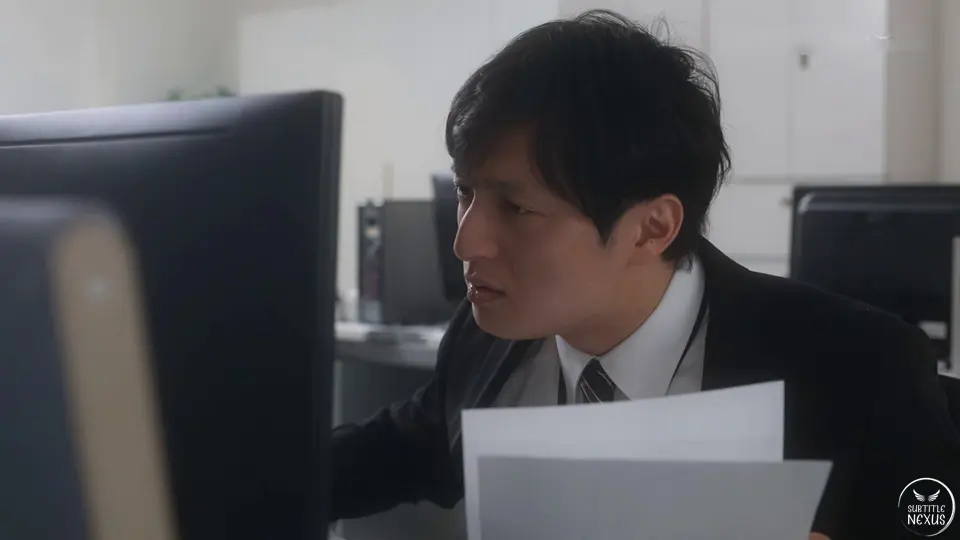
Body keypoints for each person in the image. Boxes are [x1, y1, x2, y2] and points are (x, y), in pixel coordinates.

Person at [330, 10, 960, 539]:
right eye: (465, 193)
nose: (465, 241)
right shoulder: (486, 336)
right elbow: (394, 450)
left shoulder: (858, 367)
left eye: (516, 208)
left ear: (652, 227)